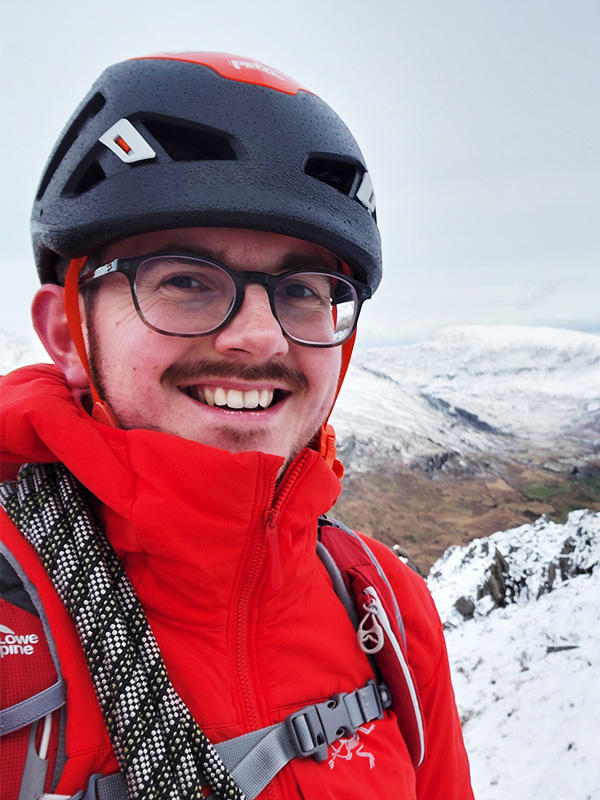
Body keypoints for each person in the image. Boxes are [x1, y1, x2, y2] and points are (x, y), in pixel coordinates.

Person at [0, 52, 473, 799]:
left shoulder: (389, 611)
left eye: (305, 289)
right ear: (67, 332)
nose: (260, 338)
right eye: (185, 279)